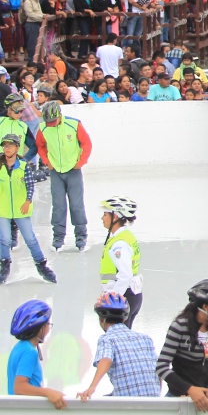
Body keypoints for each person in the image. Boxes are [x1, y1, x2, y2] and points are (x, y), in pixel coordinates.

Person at [156, 278, 208, 412]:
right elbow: (161, 367)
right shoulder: (180, 326)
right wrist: (190, 389)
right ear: (205, 307)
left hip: (203, 400)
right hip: (178, 398)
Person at [77, 293, 160, 399]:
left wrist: (91, 388)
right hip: (153, 398)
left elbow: (106, 359)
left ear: (102, 319)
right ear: (124, 319)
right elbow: (158, 368)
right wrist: (158, 397)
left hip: (128, 404)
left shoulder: (107, 339)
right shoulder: (145, 338)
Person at [35, 100, 91, 251]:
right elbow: (40, 146)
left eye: (53, 120)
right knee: (58, 206)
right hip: (56, 173)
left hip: (73, 171)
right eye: (48, 121)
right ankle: (58, 237)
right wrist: (47, 162)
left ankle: (81, 236)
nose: (51, 124)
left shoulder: (74, 125)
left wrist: (81, 162)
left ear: (59, 115)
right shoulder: (43, 128)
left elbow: (86, 143)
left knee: (76, 205)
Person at [0, 133, 55, 283]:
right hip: (3, 209)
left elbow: (30, 185)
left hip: (20, 208)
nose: (7, 148)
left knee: (30, 238)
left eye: (10, 145)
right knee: (4, 239)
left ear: (17, 148)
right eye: (5, 145)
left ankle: (41, 265)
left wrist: (28, 200)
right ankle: (4, 264)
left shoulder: (23, 165)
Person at [7, 300, 66, 408]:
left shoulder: (19, 347)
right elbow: (19, 387)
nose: (49, 328)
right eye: (48, 324)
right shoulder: (30, 352)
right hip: (27, 409)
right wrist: (48, 392)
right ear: (40, 328)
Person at [99, 196, 143, 327]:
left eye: (105, 214)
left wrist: (112, 300)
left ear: (115, 217)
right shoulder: (126, 236)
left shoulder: (119, 243)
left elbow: (125, 275)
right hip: (131, 295)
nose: (102, 218)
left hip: (122, 298)